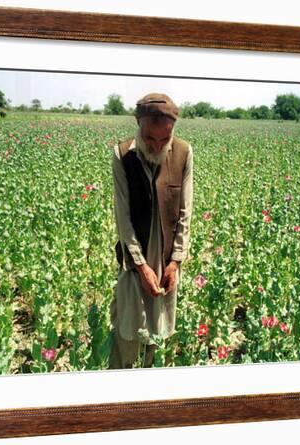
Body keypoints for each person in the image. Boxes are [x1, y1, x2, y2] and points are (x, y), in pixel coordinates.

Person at [108, 92, 194, 369]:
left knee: (159, 324)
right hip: (135, 258)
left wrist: (176, 261)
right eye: (149, 138)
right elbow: (123, 217)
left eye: (164, 139)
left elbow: (185, 211)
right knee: (128, 324)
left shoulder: (183, 152)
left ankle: (150, 375)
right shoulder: (122, 155)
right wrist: (140, 264)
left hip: (167, 258)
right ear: (137, 123)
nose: (157, 146)